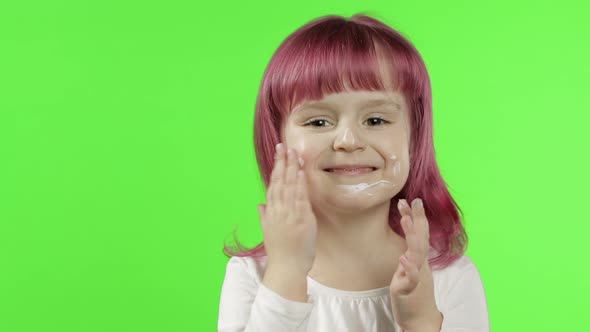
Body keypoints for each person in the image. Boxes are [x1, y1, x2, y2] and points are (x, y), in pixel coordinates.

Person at [217, 13, 489, 332]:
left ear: (414, 138)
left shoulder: (450, 278)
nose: (348, 141)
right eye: (318, 122)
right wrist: (286, 275)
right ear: (278, 140)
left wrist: (421, 321)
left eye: (375, 121)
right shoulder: (252, 276)